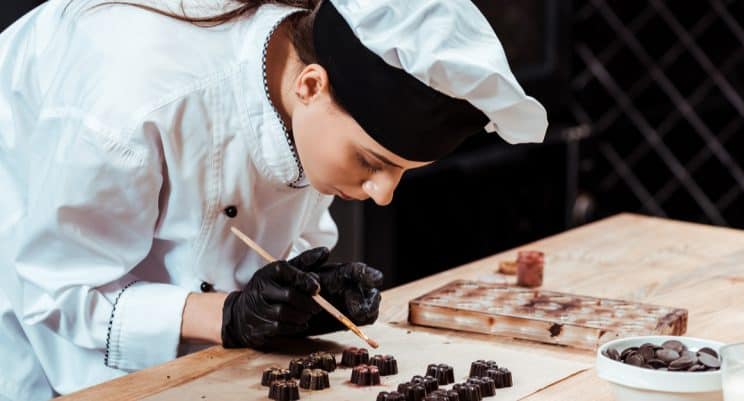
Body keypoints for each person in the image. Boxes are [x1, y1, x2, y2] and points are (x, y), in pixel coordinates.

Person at [0, 0, 547, 399]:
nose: (382, 195)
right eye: (372, 162)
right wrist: (231, 315)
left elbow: (249, 244)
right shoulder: (135, 102)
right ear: (310, 85)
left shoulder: (299, 90)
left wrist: (298, 296)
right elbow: (56, 293)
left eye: (401, 172)